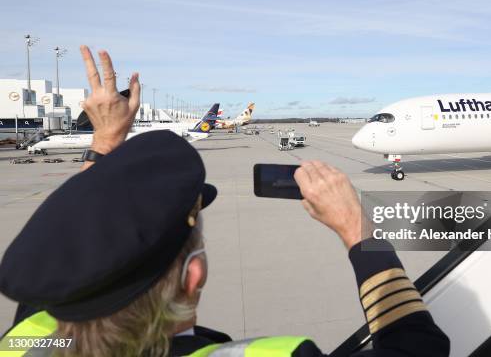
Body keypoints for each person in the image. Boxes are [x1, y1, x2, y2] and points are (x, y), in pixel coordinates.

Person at [0, 47, 449, 356]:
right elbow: (417, 346)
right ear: (194, 275)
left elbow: (73, 240)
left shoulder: (25, 339)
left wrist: (102, 142)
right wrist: (357, 230)